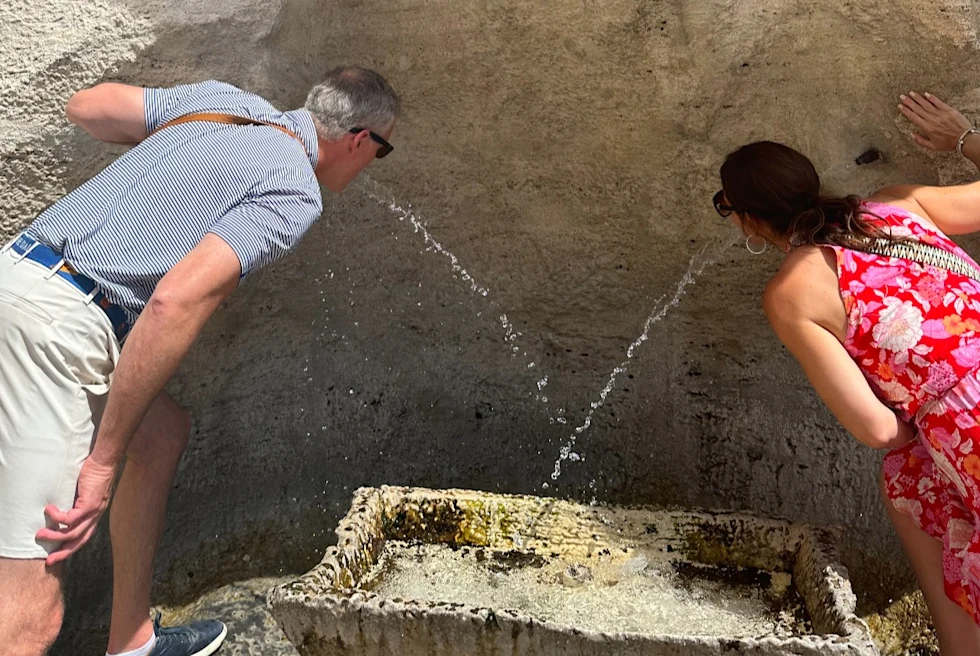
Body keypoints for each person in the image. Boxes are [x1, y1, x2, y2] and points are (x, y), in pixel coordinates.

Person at [0, 66, 399, 656]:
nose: (371, 165)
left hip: (18, 276)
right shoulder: (294, 188)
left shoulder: (222, 103)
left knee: (161, 435)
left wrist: (177, 162)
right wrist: (103, 462)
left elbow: (85, 107)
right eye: (381, 152)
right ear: (359, 139)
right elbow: (174, 301)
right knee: (29, 616)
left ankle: (132, 641)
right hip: (57, 333)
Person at [714, 92, 980, 655]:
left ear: (747, 220)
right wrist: (965, 139)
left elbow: (878, 430)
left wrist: (928, 425)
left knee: (909, 478)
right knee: (915, 479)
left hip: (969, 424)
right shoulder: (900, 205)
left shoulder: (793, 293)